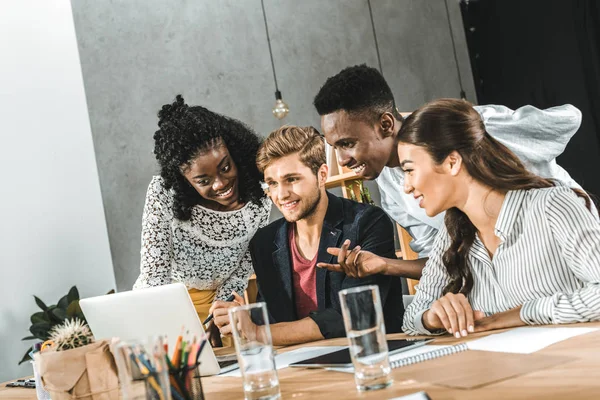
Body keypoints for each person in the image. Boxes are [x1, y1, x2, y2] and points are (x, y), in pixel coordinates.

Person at [313, 64, 593, 280]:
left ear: (386, 124)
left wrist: (566, 204)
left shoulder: (459, 127)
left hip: (574, 254)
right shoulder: (390, 190)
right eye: (334, 147)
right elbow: (442, 260)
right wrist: (386, 265)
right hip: (514, 282)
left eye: (348, 144)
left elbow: (566, 120)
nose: (343, 159)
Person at [396, 99, 600, 337]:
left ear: (452, 162)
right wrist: (433, 317)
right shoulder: (452, 235)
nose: (406, 187)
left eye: (410, 170)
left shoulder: (554, 205)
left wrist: (524, 313)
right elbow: (411, 320)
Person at [209, 125, 404, 346]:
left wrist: (257, 332)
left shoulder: (367, 223)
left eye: (292, 179)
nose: (281, 195)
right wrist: (238, 316)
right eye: (272, 183)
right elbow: (273, 318)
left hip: (370, 359)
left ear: (321, 175)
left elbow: (352, 316)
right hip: (300, 370)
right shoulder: (264, 242)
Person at [133, 95, 271, 337]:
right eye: (203, 181)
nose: (220, 184)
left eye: (226, 167)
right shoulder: (163, 193)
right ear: (184, 181)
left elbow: (242, 269)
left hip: (217, 311)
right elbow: (154, 276)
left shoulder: (259, 198)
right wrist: (165, 331)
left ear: (235, 152)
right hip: (163, 307)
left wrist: (217, 316)